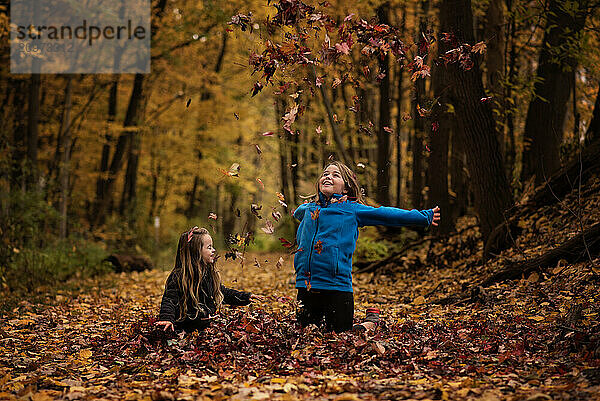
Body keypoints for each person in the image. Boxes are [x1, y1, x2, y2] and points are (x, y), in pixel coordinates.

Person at [292, 161, 441, 333]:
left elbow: (386, 215)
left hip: (336, 286)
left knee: (343, 337)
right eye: (325, 174)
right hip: (306, 285)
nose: (328, 177)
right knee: (306, 335)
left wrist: (422, 217)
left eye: (335, 175)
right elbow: (297, 213)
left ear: (346, 189)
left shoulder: (352, 210)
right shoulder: (307, 209)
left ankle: (370, 323)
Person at [155, 226, 260, 332]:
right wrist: (167, 318)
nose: (213, 250)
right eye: (209, 247)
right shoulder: (179, 276)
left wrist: (245, 297)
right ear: (195, 251)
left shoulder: (208, 273)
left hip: (205, 326)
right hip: (185, 328)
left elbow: (222, 292)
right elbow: (170, 300)